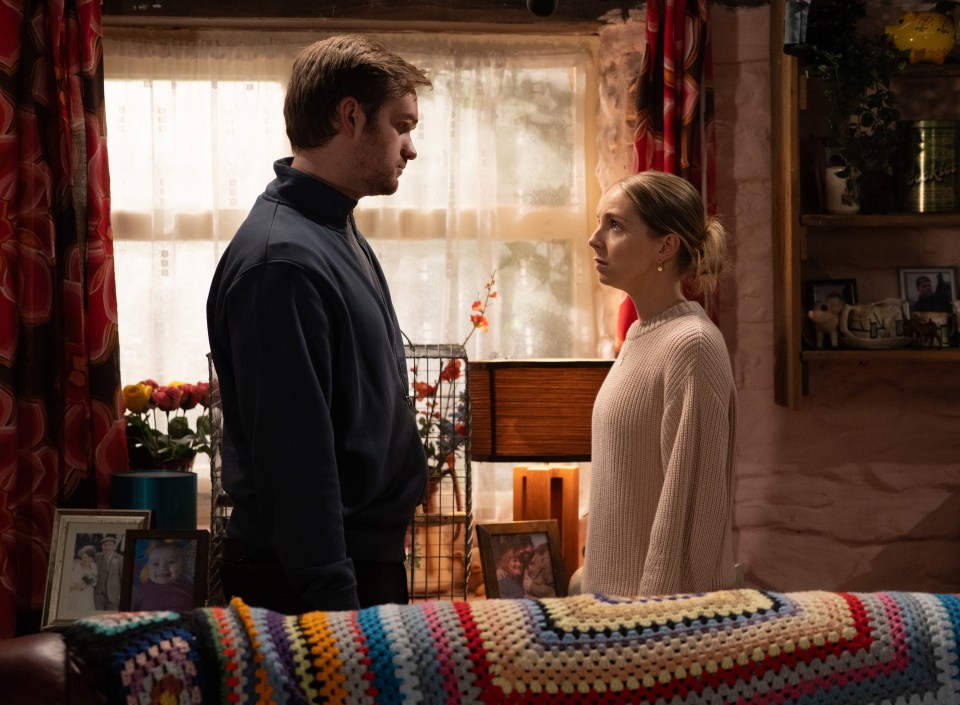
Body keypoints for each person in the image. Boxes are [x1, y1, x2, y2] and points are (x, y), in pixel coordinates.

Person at [206, 35, 431, 613]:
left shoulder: (331, 228)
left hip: (348, 566)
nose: (410, 148)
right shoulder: (283, 261)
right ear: (351, 116)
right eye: (401, 125)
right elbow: (294, 457)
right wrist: (336, 602)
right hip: (310, 582)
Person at [582, 170, 738, 597]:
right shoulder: (641, 335)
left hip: (654, 623)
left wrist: (654, 619)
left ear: (665, 247)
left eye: (614, 225)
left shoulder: (693, 345)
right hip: (611, 610)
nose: (595, 238)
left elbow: (691, 511)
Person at [131, 542, 194, 612]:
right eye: (156, 564)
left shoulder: (189, 588)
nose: (163, 568)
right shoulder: (140, 591)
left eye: (171, 562)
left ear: (182, 567)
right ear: (148, 568)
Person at [64, 544, 98, 618]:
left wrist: (87, 584)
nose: (86, 560)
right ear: (81, 557)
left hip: (88, 595)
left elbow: (94, 582)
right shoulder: (75, 567)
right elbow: (69, 585)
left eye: (89, 558)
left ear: (92, 558)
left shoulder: (94, 566)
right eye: (84, 557)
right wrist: (80, 586)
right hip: (76, 595)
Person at [94, 534, 123, 611]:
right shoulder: (97, 557)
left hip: (113, 595)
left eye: (110, 545)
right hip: (98, 595)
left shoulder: (120, 559)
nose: (107, 548)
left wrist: (121, 595)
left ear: (114, 546)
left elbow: (123, 578)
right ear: (102, 546)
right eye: (105, 545)